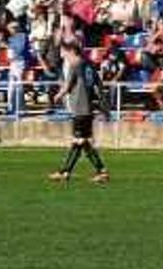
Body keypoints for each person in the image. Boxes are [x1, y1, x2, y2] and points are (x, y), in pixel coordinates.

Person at [48, 40, 110, 184]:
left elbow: (67, 86)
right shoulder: (89, 65)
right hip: (88, 106)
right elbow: (99, 85)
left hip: (79, 107)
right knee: (81, 141)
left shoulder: (75, 66)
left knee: (80, 141)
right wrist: (103, 105)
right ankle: (66, 172)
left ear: (71, 51)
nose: (62, 55)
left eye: (63, 52)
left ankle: (98, 171)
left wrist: (57, 96)